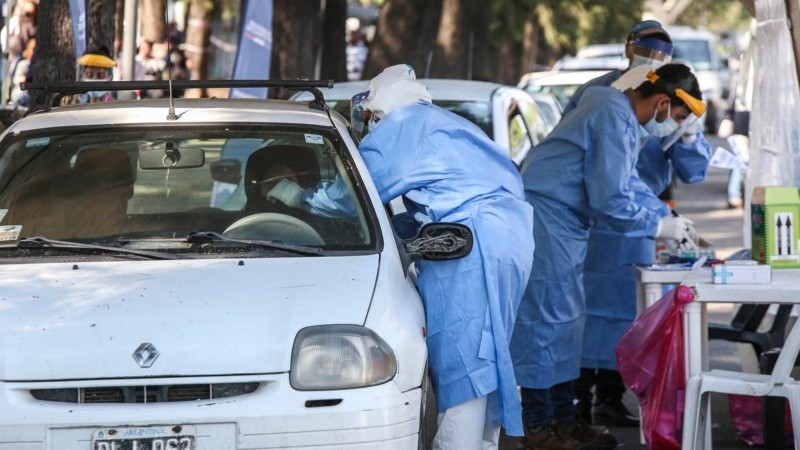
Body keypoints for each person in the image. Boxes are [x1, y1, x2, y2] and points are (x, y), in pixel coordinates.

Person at [266, 64, 535, 449]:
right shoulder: (441, 122)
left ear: (380, 110)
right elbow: (428, 205)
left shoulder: (402, 126)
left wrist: (296, 196)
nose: (371, 124)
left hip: (470, 243)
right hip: (509, 239)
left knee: (464, 361)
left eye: (372, 117)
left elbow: (352, 195)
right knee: (487, 353)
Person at [511, 63, 705, 450]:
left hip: (563, 219)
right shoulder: (612, 114)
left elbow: (627, 182)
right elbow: (611, 198)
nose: (671, 126)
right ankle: (536, 426)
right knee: (544, 323)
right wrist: (656, 228)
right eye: (677, 118)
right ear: (663, 103)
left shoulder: (614, 110)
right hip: (548, 215)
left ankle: (565, 419)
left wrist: (667, 215)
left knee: (567, 326)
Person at [563, 20, 712, 428]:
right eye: (645, 48)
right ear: (628, 48)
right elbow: (584, 156)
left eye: (661, 53)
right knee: (587, 310)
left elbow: (694, 172)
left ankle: (612, 396)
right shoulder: (603, 94)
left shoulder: (672, 100)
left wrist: (687, 137)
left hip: (644, 220)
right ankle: (578, 397)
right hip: (599, 214)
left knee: (630, 312)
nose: (652, 58)